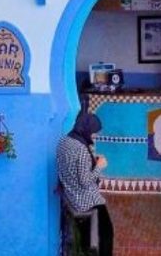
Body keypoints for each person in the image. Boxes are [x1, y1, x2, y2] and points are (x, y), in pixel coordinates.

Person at [57, 109, 114, 256]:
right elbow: (85, 181)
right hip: (86, 201)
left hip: (71, 196)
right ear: (86, 129)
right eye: (93, 132)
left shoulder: (64, 141)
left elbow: (69, 166)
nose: (94, 136)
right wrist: (99, 166)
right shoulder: (82, 150)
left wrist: (91, 161)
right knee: (107, 233)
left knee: (87, 237)